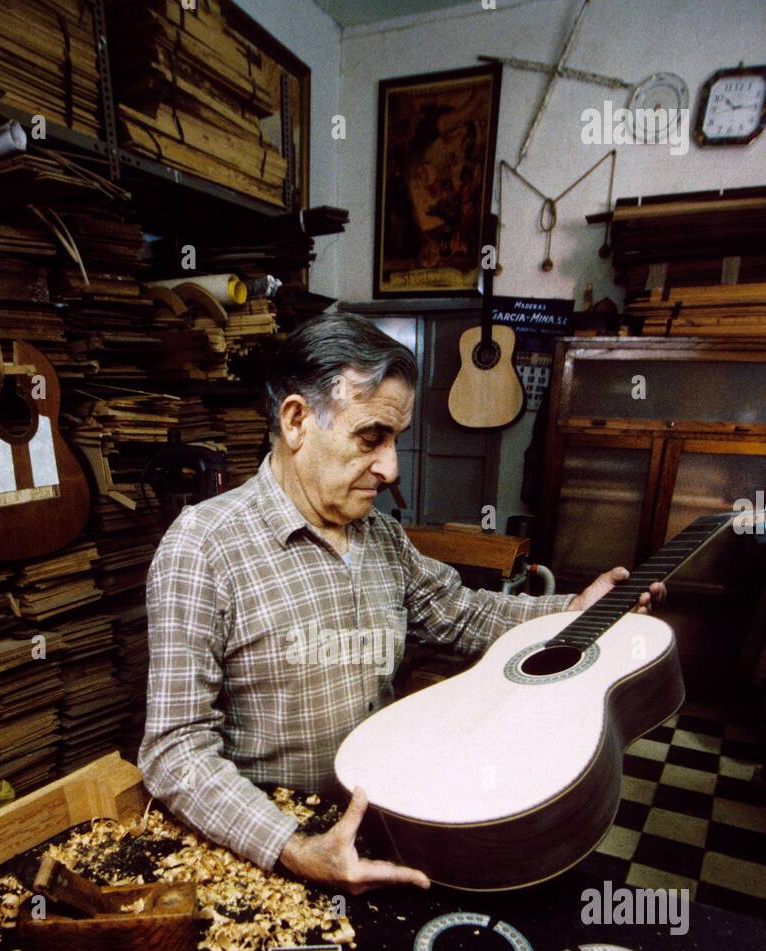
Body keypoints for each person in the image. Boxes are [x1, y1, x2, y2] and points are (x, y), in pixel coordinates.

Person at [138, 314, 664, 895]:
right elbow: (174, 750)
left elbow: (462, 612)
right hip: (273, 846)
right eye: (372, 438)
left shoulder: (380, 537)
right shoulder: (204, 547)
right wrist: (292, 846)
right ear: (296, 421)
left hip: (388, 817)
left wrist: (575, 610)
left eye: (395, 441)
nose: (391, 469)